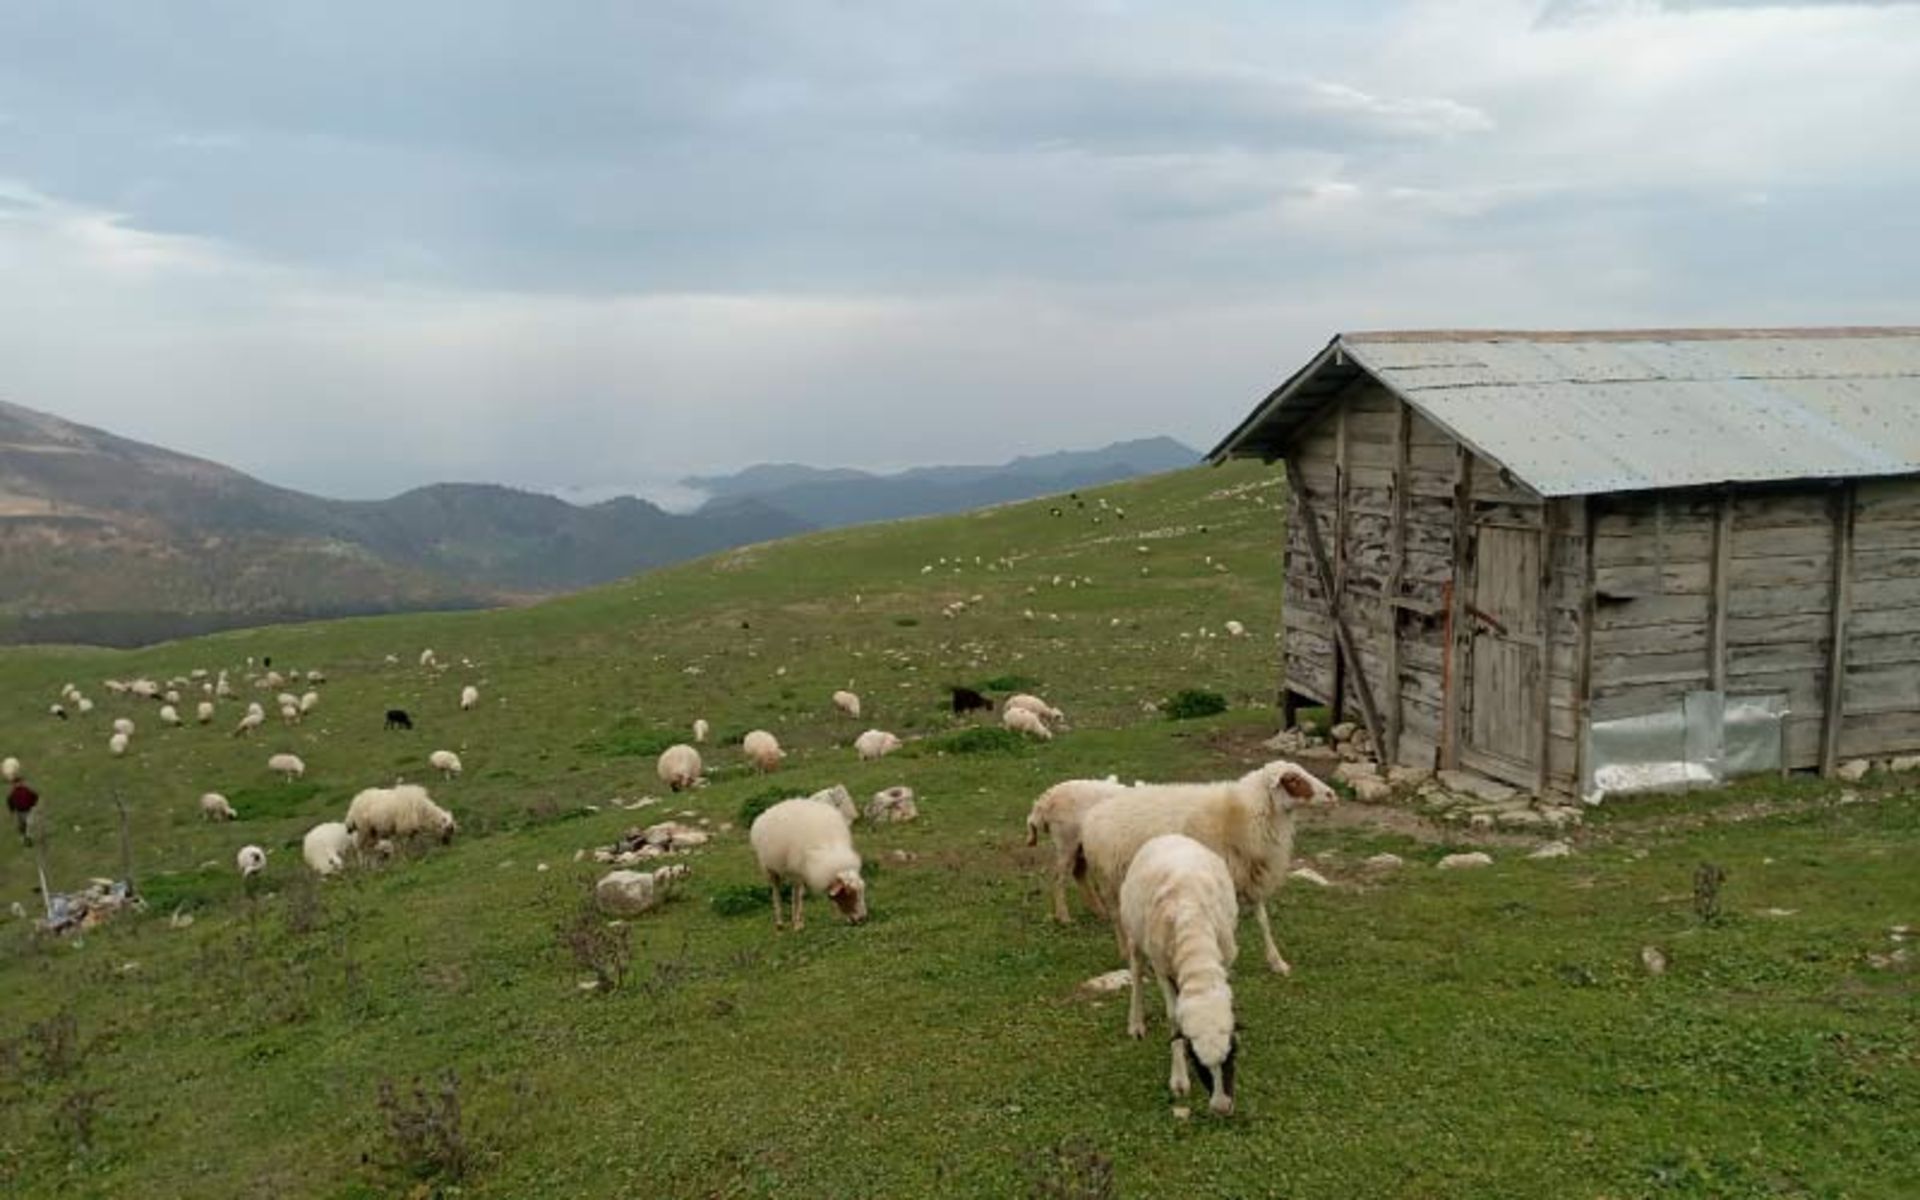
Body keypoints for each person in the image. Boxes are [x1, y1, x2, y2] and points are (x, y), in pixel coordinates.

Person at [7, 778, 38, 844]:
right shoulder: (13, 793)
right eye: (16, 783)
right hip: (20, 811)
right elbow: (10, 802)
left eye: (19, 783)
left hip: (27, 810)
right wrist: (12, 810)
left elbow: (35, 796)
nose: (18, 784)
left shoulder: (25, 790)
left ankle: (28, 837)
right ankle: (24, 837)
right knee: (23, 825)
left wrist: (33, 805)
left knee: (29, 824)